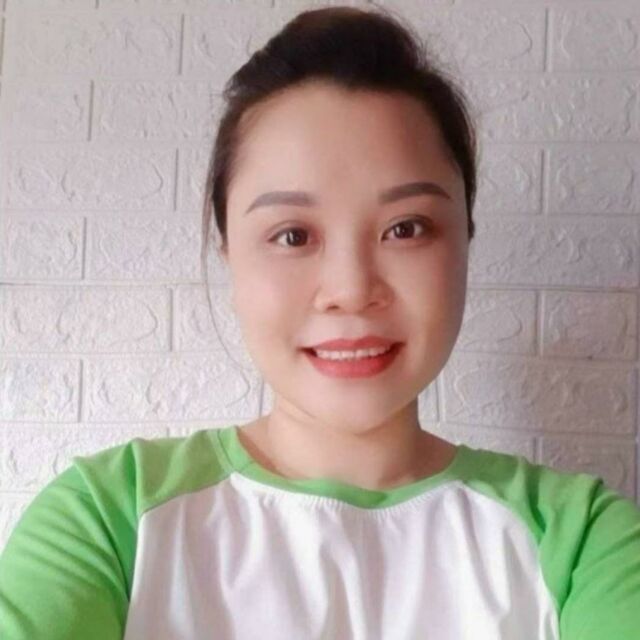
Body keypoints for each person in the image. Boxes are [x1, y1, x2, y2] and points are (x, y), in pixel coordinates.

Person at [1, 5, 639, 639]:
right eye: (293, 235)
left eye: (406, 228)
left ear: (464, 241)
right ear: (229, 252)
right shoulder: (108, 519)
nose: (351, 290)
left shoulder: (582, 541)